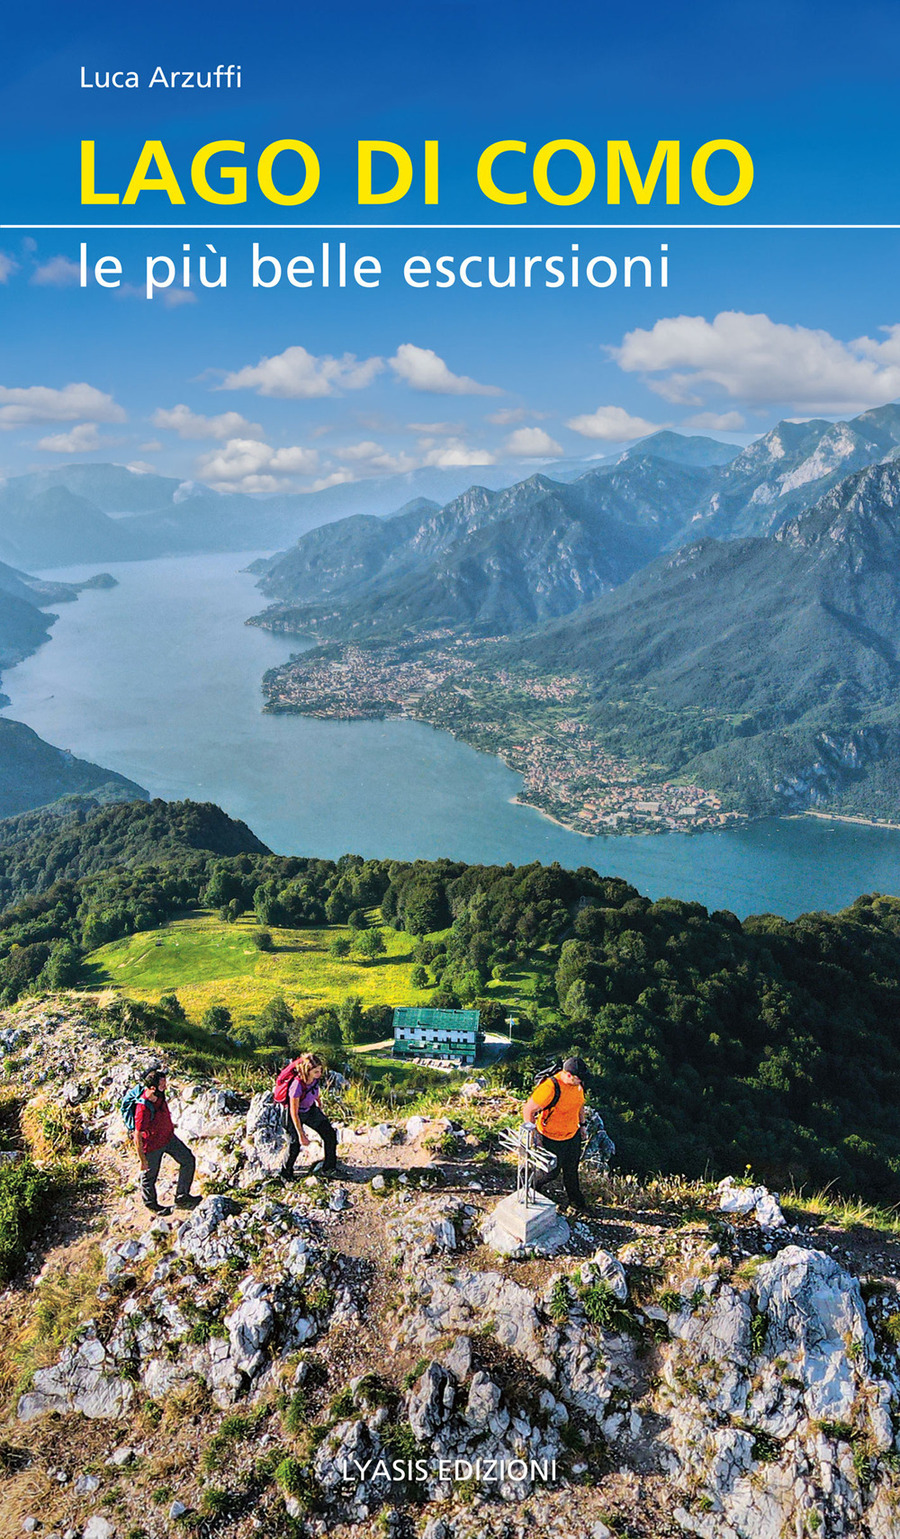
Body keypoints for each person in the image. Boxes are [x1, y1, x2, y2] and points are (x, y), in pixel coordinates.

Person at [521, 1056, 590, 1213]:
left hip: (572, 1135)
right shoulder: (550, 1088)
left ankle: (577, 1202)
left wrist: (582, 1125)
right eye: (578, 1079)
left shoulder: (578, 1084)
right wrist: (531, 1133)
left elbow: (579, 1104)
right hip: (549, 1137)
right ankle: (530, 1186)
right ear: (568, 1075)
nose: (580, 1082)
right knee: (550, 1172)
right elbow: (528, 1109)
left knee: (571, 1169)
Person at [133, 1068, 201, 1215]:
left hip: (169, 1138)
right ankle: (152, 1205)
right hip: (152, 1146)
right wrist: (142, 1159)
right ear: (152, 1088)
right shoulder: (142, 1108)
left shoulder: (160, 1095)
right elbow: (137, 1135)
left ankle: (182, 1197)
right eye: (162, 1084)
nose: (165, 1087)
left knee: (188, 1160)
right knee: (149, 1177)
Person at [280, 1052, 339, 1178]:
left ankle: (329, 1168)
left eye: (320, 1070)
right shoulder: (296, 1086)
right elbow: (294, 1112)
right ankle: (285, 1174)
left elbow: (313, 1088)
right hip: (293, 1115)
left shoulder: (314, 1079)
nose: (319, 1074)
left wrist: (317, 1100)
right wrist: (301, 1135)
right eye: (316, 1072)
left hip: (309, 1109)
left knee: (329, 1134)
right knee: (294, 1145)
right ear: (307, 1071)